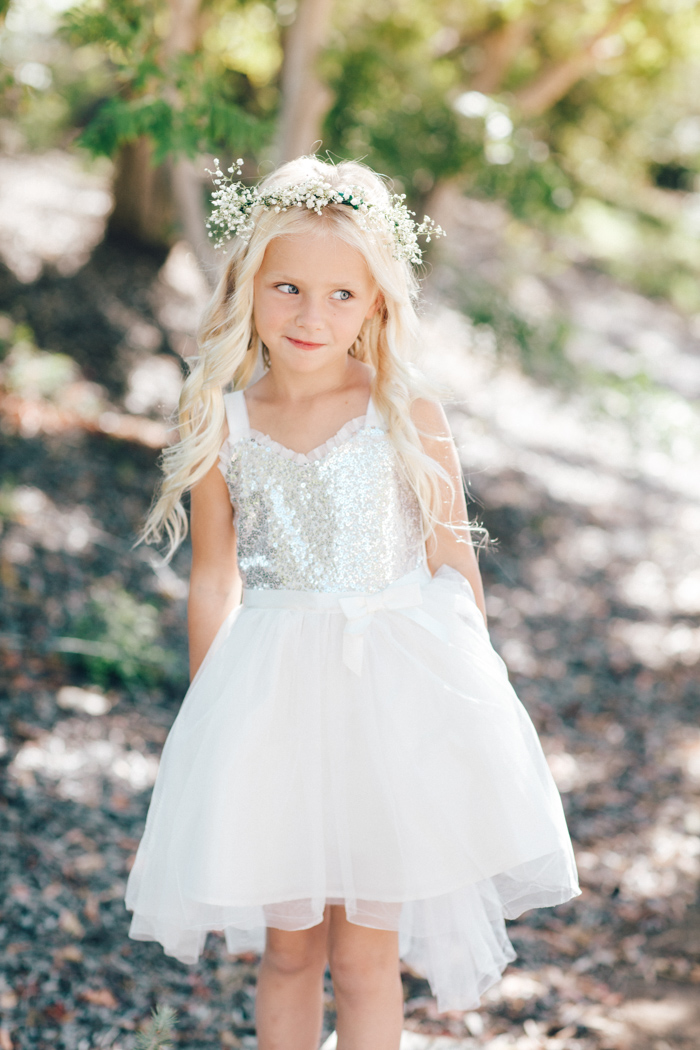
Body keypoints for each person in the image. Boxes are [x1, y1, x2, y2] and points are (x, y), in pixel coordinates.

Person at [124, 155, 580, 1050]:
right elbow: (216, 578)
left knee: (369, 958)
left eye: (340, 294)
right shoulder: (224, 421)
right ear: (248, 286)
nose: (309, 315)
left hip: (392, 705)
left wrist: (464, 712)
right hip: (275, 702)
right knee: (290, 953)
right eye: (288, 287)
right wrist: (210, 721)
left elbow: (455, 570)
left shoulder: (406, 412)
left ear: (376, 304)